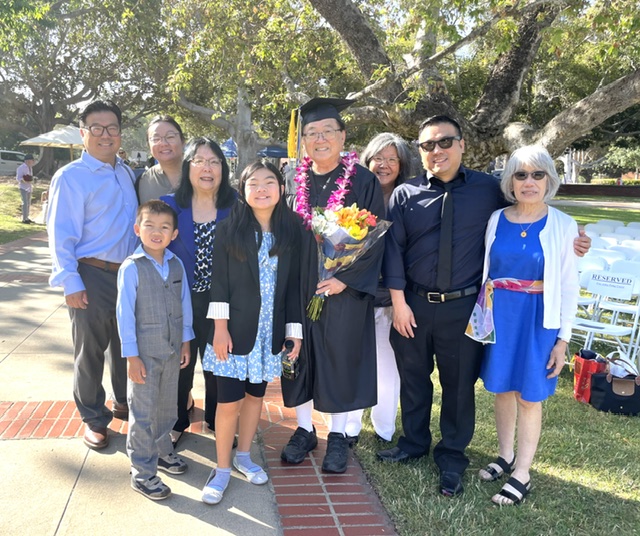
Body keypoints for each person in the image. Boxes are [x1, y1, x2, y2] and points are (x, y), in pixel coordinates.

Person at [379, 115, 590, 497]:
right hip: (413, 303)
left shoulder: (489, 190)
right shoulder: (405, 194)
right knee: (413, 378)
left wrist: (575, 241)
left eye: (445, 142)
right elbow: (392, 250)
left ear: (461, 145)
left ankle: (452, 457)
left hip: (465, 307)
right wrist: (398, 302)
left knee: (459, 385)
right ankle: (413, 443)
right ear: (421, 152)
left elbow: (534, 216)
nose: (437, 151)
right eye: (428, 145)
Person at [281, 97, 385, 474]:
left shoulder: (363, 180)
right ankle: (304, 429)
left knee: (340, 357)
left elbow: (376, 238)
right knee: (297, 352)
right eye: (311, 133)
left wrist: (344, 279)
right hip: (298, 284)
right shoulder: (294, 179)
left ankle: (338, 436)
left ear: (343, 136)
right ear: (303, 140)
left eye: (328, 131)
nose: (319, 138)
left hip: (343, 289)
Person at [474, 146, 578, 505]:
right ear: (510, 181)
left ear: (549, 179)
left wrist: (563, 339)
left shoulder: (563, 225)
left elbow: (568, 284)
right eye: (521, 175)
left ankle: (523, 471)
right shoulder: (496, 219)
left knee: (529, 396)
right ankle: (505, 456)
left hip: (538, 317)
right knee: (502, 388)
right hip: (500, 315)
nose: (529, 182)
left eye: (537, 175)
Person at [200, 160, 302, 504]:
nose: (262, 189)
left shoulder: (291, 234)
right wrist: (219, 329)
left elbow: (293, 290)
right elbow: (219, 284)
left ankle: (245, 455)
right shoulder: (230, 230)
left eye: (269, 182)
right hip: (233, 334)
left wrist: (294, 333)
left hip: (267, 337)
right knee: (228, 402)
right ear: (243, 192)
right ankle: (223, 468)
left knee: (255, 398)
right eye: (253, 183)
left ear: (281, 188)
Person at [47, 100, 138, 450]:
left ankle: (124, 402)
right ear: (83, 133)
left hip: (127, 274)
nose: (105, 134)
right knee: (90, 350)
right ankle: (93, 418)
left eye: (111, 128)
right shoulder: (71, 177)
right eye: (96, 128)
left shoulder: (125, 173)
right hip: (90, 272)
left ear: (119, 133)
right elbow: (60, 233)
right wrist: (70, 280)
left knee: (124, 344)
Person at [116, 200, 195, 500]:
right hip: (144, 355)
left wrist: (187, 340)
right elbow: (124, 314)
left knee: (166, 406)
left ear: (174, 233)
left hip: (173, 349)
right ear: (138, 229)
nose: (157, 232)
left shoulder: (176, 264)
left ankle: (163, 450)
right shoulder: (132, 268)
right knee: (143, 411)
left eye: (164, 227)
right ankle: (142, 471)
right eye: (149, 226)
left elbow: (185, 303)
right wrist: (131, 356)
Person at [161, 137, 236, 446]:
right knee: (180, 363)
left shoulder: (235, 207)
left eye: (215, 161)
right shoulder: (169, 206)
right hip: (180, 299)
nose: (207, 168)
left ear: (224, 169)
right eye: (200, 161)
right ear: (188, 166)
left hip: (222, 300)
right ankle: (177, 418)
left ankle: (217, 420)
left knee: (220, 363)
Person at [345, 132, 414, 444]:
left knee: (388, 366)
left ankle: (384, 428)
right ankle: (348, 426)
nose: (384, 165)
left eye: (392, 159)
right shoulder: (351, 197)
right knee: (351, 361)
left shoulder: (411, 200)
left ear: (401, 165)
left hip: (392, 298)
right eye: (378, 158)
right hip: (354, 293)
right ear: (367, 160)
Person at [137, 115, 185, 203]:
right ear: (149, 146)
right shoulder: (143, 181)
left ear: (183, 141)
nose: (163, 143)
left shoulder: (202, 173)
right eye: (156, 139)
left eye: (170, 137)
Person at [16, 153, 35, 224]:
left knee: (28, 203)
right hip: (23, 187)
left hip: (29, 187)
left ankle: (27, 217)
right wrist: (24, 180)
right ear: (26, 161)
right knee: (25, 202)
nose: (31, 162)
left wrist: (31, 179)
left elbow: (30, 177)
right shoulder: (21, 168)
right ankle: (24, 218)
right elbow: (18, 178)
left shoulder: (30, 167)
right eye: (29, 161)